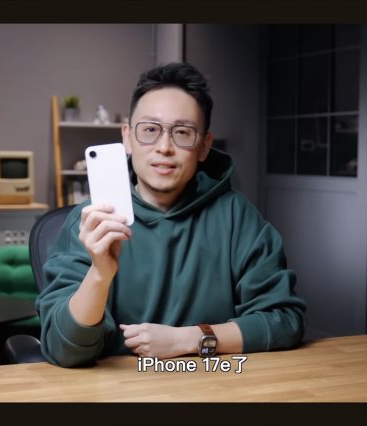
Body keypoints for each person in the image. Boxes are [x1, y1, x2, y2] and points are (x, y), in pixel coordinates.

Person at [36, 62, 306, 367]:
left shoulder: (236, 216)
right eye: (150, 130)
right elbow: (64, 349)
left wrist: (190, 339)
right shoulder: (90, 223)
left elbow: (284, 320)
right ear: (127, 137)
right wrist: (99, 274)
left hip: (216, 383)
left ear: (204, 147)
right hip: (118, 390)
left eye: (182, 133)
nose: (164, 147)